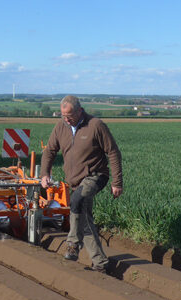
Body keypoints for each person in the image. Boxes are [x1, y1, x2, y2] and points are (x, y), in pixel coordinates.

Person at [40, 95, 123, 272]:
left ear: (79, 111)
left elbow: (113, 152)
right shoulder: (60, 127)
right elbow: (49, 152)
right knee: (84, 218)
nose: (66, 119)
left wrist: (117, 182)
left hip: (96, 175)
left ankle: (72, 244)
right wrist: (45, 173)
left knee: (76, 202)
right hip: (75, 180)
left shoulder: (95, 125)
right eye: (63, 116)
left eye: (69, 116)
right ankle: (100, 263)